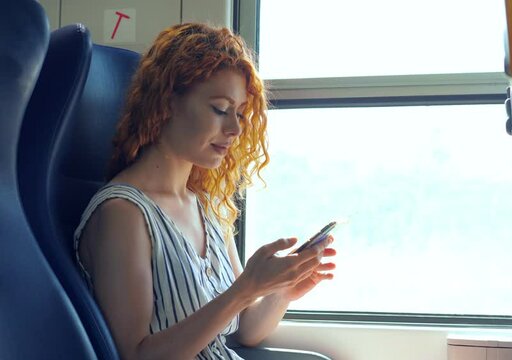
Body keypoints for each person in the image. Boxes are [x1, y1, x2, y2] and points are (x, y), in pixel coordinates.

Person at [73, 23, 336, 360]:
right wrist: (243, 291)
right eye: (220, 109)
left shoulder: (206, 207)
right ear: (167, 102)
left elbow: (245, 329)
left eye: (240, 113)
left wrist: (281, 290)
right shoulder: (123, 214)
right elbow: (135, 355)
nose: (235, 129)